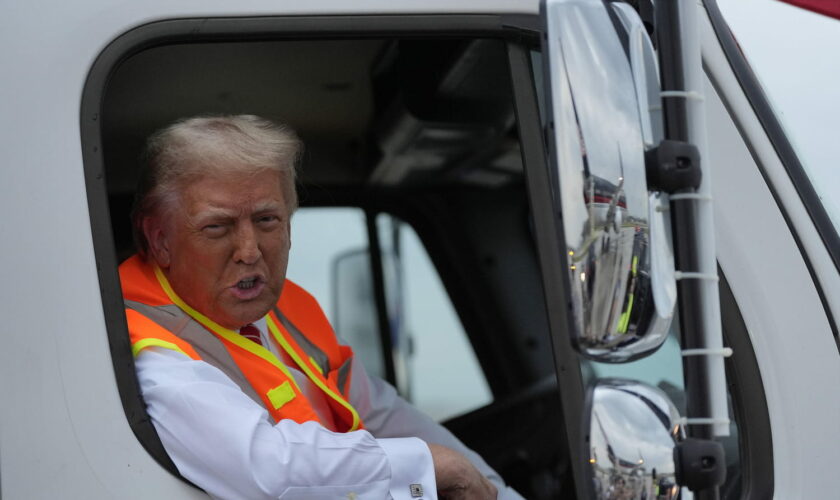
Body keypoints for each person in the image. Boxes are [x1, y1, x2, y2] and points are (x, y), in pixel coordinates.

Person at [121, 115, 521, 500]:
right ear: (160, 241)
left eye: (267, 220)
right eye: (217, 227)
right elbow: (267, 470)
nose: (249, 250)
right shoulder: (144, 345)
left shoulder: (283, 310)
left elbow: (382, 413)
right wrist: (428, 466)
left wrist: (496, 492)